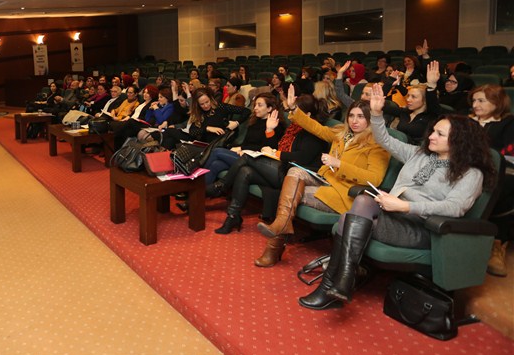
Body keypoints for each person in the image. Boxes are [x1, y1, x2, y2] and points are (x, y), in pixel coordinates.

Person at [299, 84, 496, 310]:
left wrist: (405, 206)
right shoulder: (420, 154)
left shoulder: (471, 173)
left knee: (347, 218)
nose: (431, 136)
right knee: (361, 202)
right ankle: (338, 284)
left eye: (439, 134)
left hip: (422, 228)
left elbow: (455, 207)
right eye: (433, 131)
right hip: (392, 215)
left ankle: (335, 285)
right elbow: (385, 139)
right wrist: (375, 113)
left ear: (459, 141)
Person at [253, 85, 390, 267]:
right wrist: (293, 108)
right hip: (326, 179)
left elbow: (374, 178)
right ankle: (281, 226)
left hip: (343, 192)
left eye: (361, 117)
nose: (354, 121)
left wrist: (340, 164)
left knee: (291, 194)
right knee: (294, 172)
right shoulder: (343, 133)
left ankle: (273, 247)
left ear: (370, 119)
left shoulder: (378, 143)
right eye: (351, 116)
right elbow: (316, 128)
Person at [212, 93, 329, 234]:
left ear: (307, 115)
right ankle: (233, 216)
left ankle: (221, 185)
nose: (291, 115)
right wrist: (269, 130)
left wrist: (275, 153)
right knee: (245, 172)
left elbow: (301, 158)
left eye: (295, 111)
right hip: (280, 167)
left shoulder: (314, 133)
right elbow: (270, 146)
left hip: (293, 177)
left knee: (247, 158)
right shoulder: (294, 129)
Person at [468, 84, 514, 277]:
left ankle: (498, 243)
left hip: (498, 169)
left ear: (497, 102)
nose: (475, 104)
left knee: (507, 185)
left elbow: (509, 155)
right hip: (464, 168)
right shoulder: (467, 120)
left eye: (481, 100)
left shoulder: (508, 123)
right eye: (474, 100)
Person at [204, 92, 286, 193]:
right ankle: (200, 194)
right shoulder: (254, 121)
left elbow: (268, 149)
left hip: (257, 162)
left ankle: (195, 180)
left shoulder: (277, 125)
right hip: (244, 155)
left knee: (217, 151)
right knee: (216, 164)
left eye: (259, 105)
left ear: (269, 108)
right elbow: (247, 142)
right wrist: (239, 147)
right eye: (255, 105)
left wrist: (243, 148)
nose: (255, 108)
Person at [380, 61, 443, 145]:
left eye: (413, 97)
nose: (408, 99)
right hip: (397, 148)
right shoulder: (405, 112)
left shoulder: (432, 115)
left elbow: (433, 103)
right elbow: (379, 103)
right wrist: (389, 82)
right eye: (408, 96)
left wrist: (431, 84)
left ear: (425, 100)